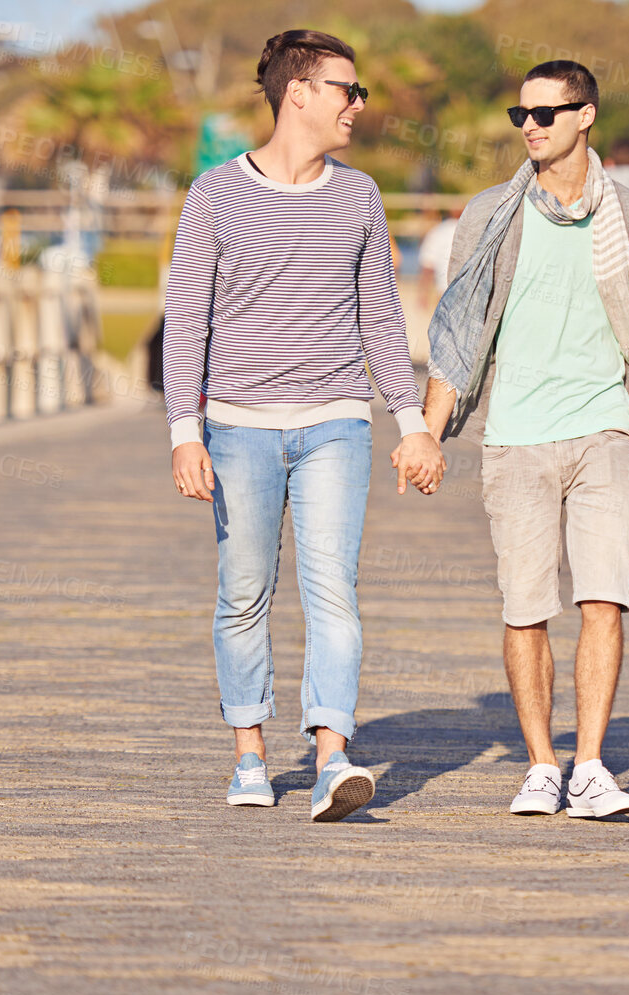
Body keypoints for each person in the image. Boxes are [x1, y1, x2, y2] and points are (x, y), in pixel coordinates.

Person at [165, 29, 446, 821]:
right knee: (244, 592)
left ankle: (332, 758)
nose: (357, 105)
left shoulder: (359, 196)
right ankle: (249, 755)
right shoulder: (215, 195)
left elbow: (381, 322)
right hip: (237, 427)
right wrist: (183, 431)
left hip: (334, 423)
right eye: (344, 90)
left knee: (334, 592)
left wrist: (411, 423)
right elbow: (185, 321)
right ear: (298, 93)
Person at [423, 59, 629, 820]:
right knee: (525, 606)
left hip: (604, 426)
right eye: (520, 115)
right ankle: (542, 765)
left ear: (585, 116)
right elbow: (460, 332)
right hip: (514, 437)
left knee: (603, 597)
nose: (529, 126)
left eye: (545, 113)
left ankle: (592, 765)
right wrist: (428, 433)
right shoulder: (489, 215)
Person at [417, 208, 459, 310]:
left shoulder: (437, 231)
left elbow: (428, 265)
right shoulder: (473, 230)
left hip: (443, 289)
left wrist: (423, 295)